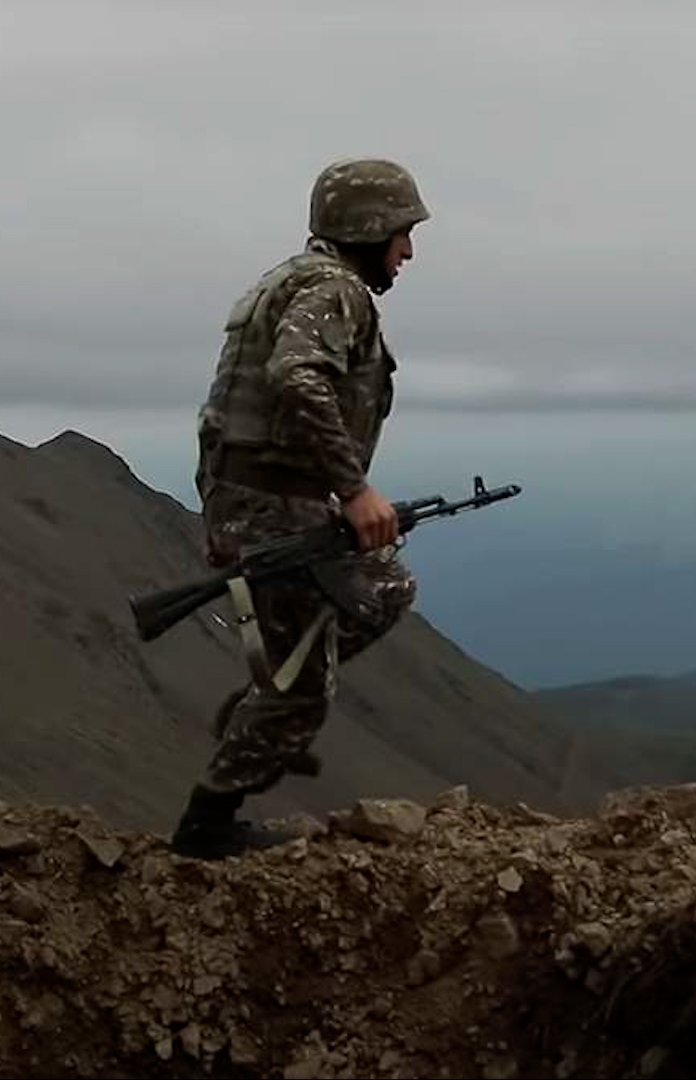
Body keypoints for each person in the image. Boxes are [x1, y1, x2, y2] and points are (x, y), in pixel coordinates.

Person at [169, 158, 430, 859]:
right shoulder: (335, 291)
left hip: (260, 500)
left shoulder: (293, 281)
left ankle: (268, 710)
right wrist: (353, 490)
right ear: (369, 227)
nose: (408, 251)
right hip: (279, 508)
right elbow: (295, 377)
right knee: (305, 681)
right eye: (402, 233)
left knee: (384, 587)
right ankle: (209, 823)